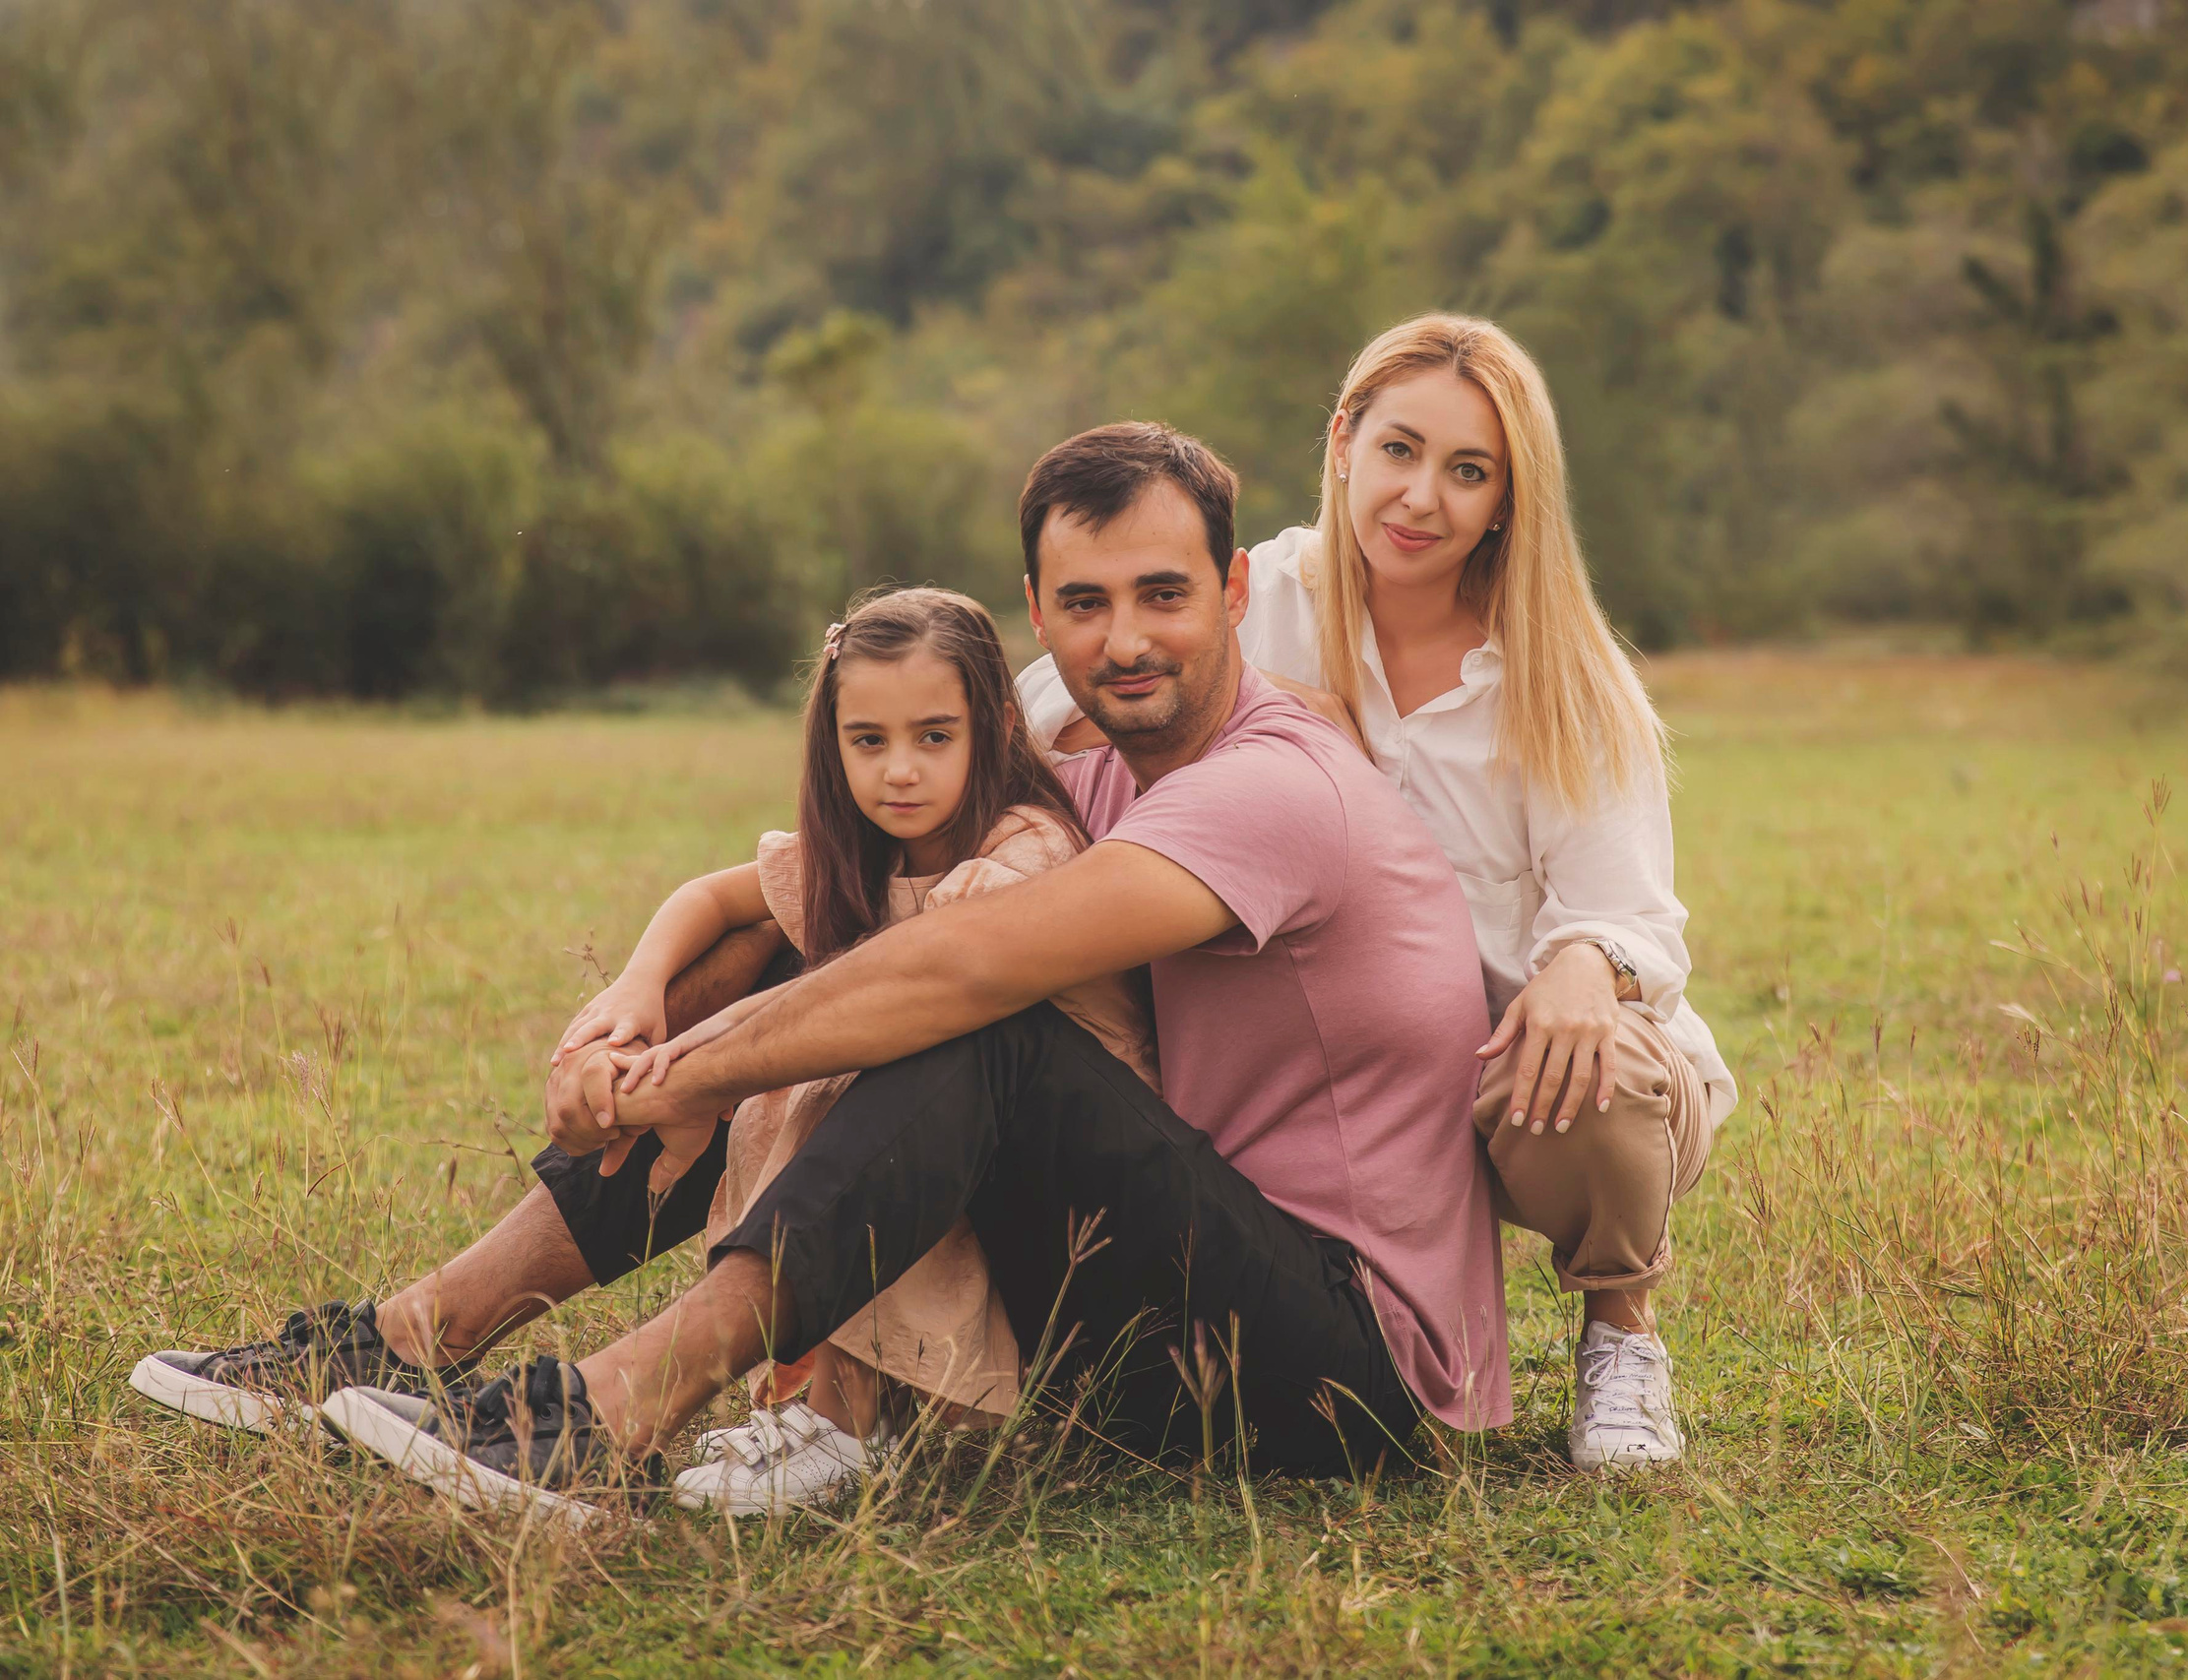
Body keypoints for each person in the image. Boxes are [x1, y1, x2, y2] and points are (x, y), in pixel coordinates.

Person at [137, 421, 1510, 1522]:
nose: (1125, 638)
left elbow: (964, 964)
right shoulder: (1090, 753)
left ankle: (612, 1407)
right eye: (1083, 603)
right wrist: (651, 1005)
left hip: (1345, 1369)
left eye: (1164, 593)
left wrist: (691, 1071)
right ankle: (415, 1329)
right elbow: (823, 880)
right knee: (818, 922)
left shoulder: (1272, 784)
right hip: (1144, 1320)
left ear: (1234, 591)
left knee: (982, 1019)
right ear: (1036, 608)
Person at [135, 586, 1158, 1516]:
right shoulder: (871, 851)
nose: (899, 769)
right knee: (757, 958)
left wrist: (681, 1077)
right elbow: (713, 897)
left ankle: (839, 1419)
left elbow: (911, 1001)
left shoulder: (1023, 853)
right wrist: (630, 1002)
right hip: (920, 1178)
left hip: (1048, 1226)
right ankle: (419, 1335)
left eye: (935, 736)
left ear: (993, 728)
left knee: (875, 1044)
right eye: (868, 740)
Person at [1020, 315, 1736, 1469]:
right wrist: (1280, 716)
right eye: (1400, 450)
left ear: (1507, 498)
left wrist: (1575, 968)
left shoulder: (1564, 674)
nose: (1421, 499)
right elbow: (1057, 691)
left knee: (1592, 1059)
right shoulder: (1265, 596)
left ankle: (1620, 1332)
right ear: (1344, 439)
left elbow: (1634, 919)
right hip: (1352, 1074)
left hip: (1527, 1080)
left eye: (1468, 472)